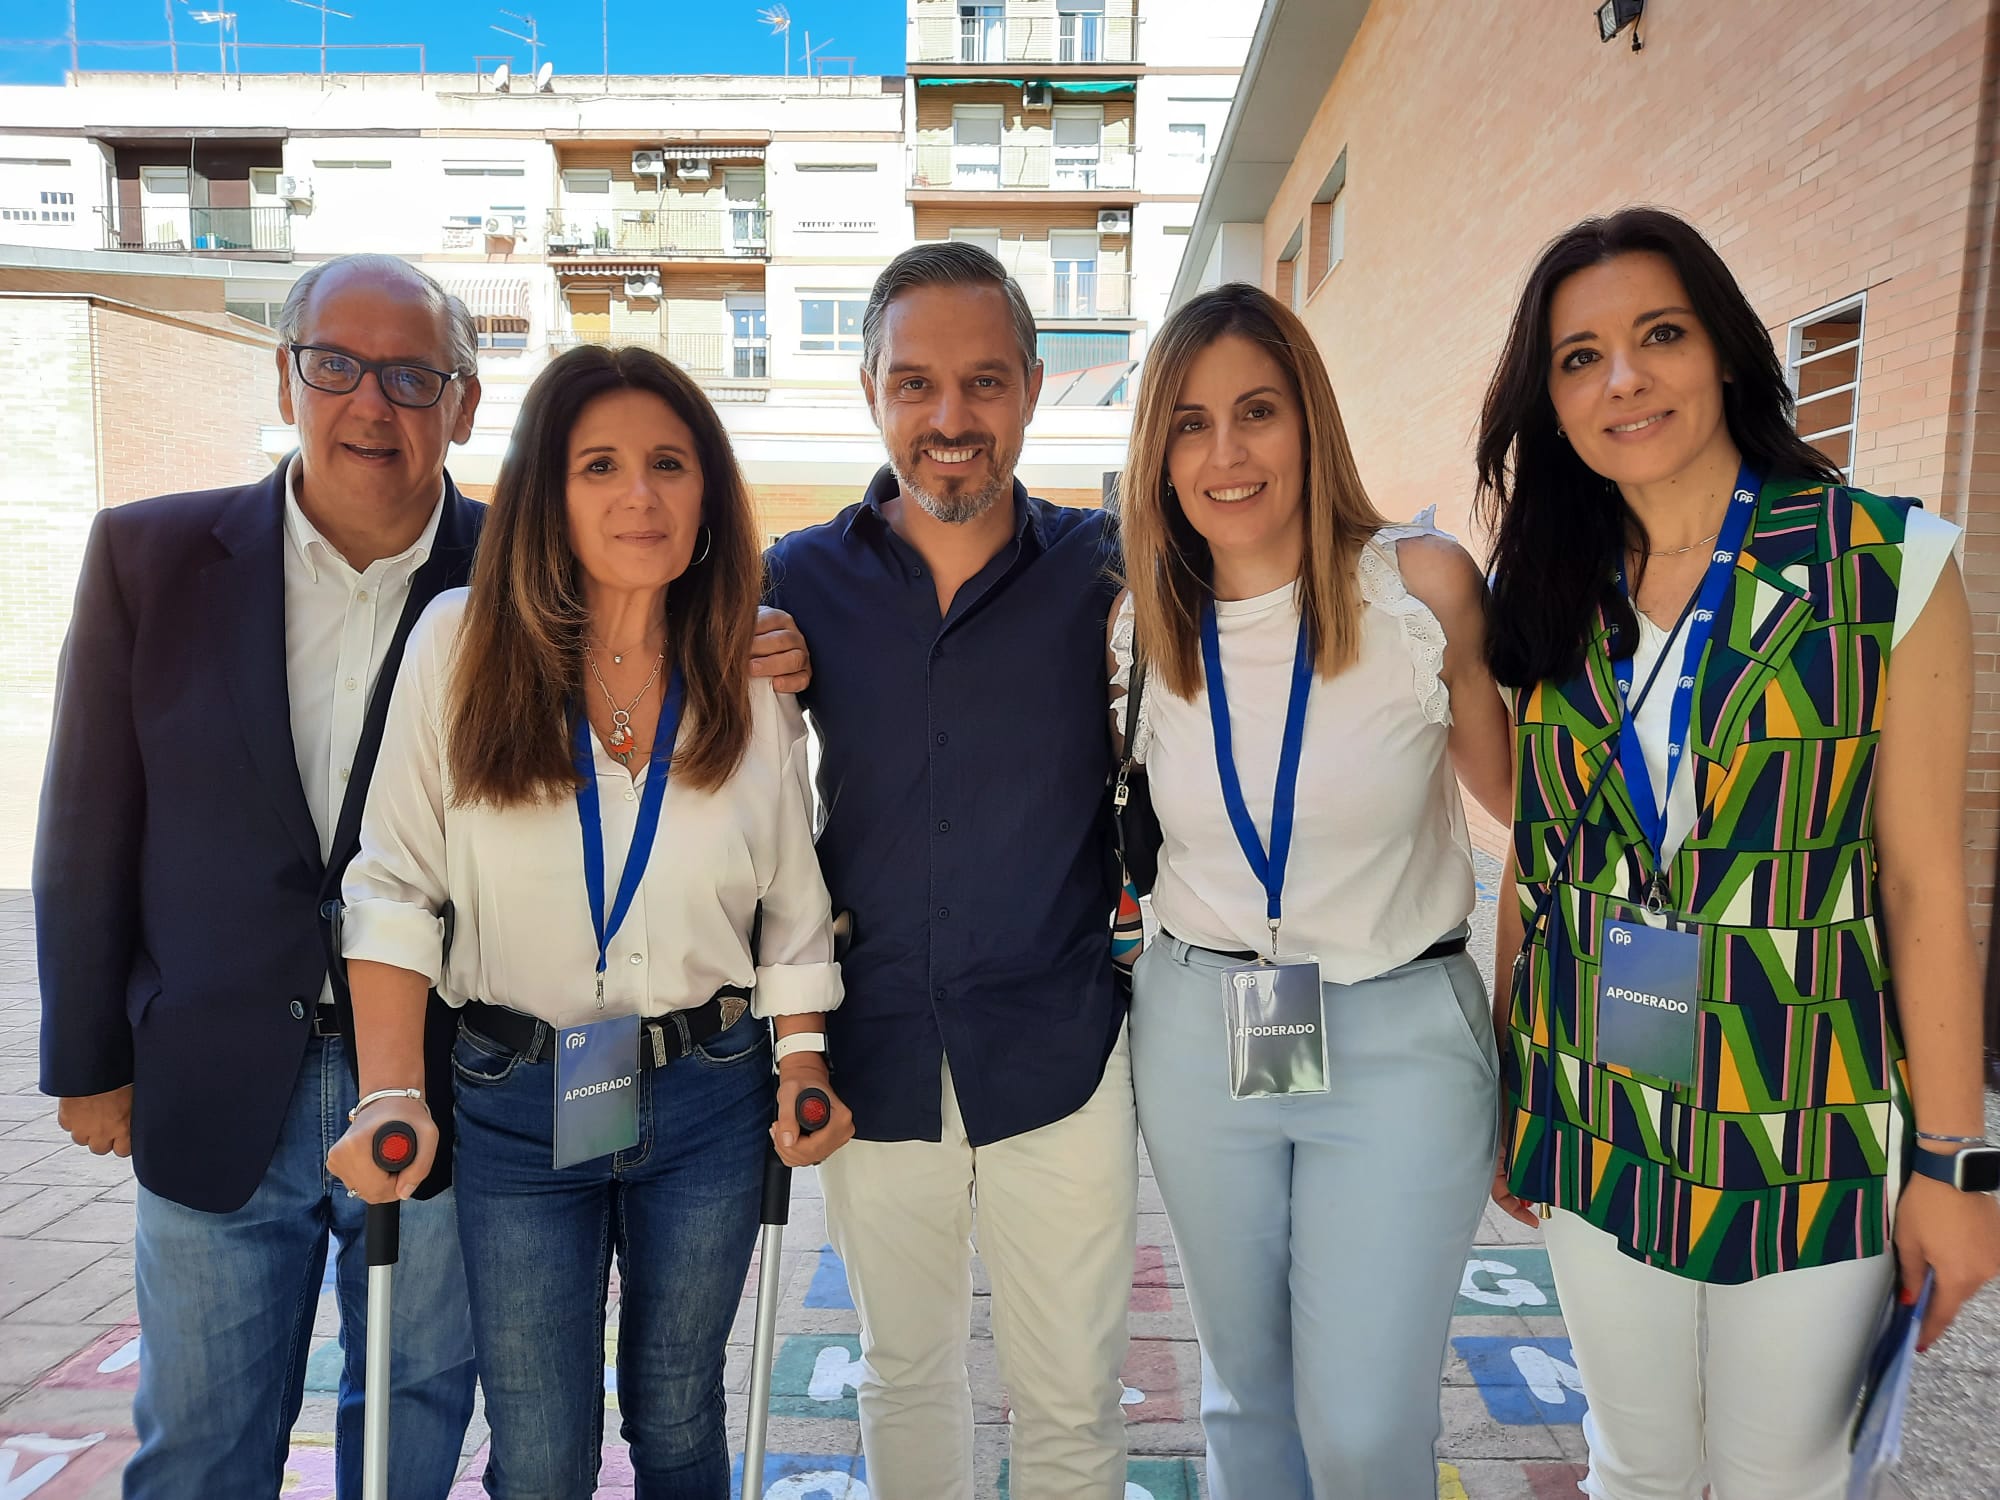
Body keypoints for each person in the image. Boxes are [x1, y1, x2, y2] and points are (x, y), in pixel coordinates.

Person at [1478, 206, 2000, 1499]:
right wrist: (1509, 1093)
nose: (1625, 378)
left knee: (1785, 1476)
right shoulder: (1553, 581)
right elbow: (1534, 870)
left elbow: (1929, 886)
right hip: (1600, 1093)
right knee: (1635, 1465)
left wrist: (1954, 1164)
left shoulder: (1887, 564)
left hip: (1807, 1103)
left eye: (1661, 334)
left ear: (1725, 353)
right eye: (1579, 356)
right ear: (1548, 400)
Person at [326, 342, 851, 1498]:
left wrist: (802, 1061)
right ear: (546, 496)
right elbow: (392, 886)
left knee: (674, 1415)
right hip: (516, 1101)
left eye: (669, 464)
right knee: (544, 1446)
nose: (639, 495)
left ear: (707, 492)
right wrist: (387, 1090)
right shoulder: (458, 648)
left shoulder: (749, 670)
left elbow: (793, 910)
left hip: (708, 1093)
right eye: (599, 465)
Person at [36, 254, 484, 1500]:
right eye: (334, 364)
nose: (370, 403)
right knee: (199, 1442)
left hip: (443, 1073)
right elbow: (85, 826)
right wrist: (87, 1061)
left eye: (410, 376)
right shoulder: (151, 557)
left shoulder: (523, 578)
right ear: (285, 376)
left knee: (411, 1422)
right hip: (213, 1072)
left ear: (464, 403)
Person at [1110, 282, 1514, 1499]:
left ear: (1310, 424)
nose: (1225, 454)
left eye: (1256, 412)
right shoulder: (1140, 626)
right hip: (1201, 1030)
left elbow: (1535, 823)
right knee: (1245, 1399)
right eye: (1188, 422)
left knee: (1365, 1426)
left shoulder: (1419, 589)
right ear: (1157, 453)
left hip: (1396, 1033)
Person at [763, 241, 1135, 1500]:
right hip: (873, 1051)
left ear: (1032, 389)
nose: (950, 419)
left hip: (1062, 1046)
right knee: (902, 1371)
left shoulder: (1109, 570)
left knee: (1072, 1399)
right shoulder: (793, 582)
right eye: (914, 383)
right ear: (869, 388)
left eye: (983, 383)